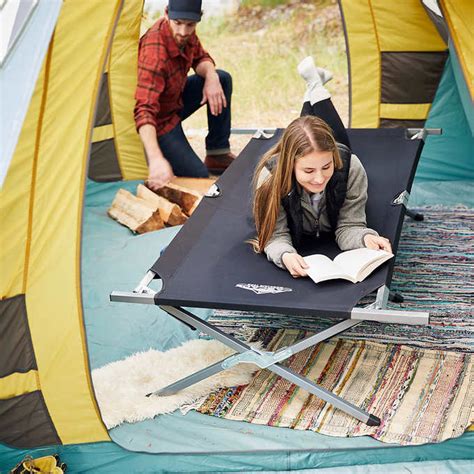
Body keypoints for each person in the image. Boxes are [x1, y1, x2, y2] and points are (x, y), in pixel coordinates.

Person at [250, 57, 392, 278]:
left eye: (326, 167)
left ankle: (314, 86)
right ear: (290, 165)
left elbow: (350, 226)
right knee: (308, 132)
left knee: (334, 139)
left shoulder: (348, 166)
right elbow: (274, 236)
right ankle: (315, 85)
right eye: (308, 171)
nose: (318, 179)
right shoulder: (270, 178)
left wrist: (365, 238)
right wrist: (285, 255)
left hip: (339, 153)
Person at [134, 0, 235, 191]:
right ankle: (159, 158)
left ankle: (217, 153)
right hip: (160, 122)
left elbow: (201, 58)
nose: (183, 32)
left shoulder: (186, 33)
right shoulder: (154, 53)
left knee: (222, 79)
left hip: (175, 99)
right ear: (166, 14)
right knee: (199, 178)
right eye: (178, 23)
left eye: (190, 25)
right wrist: (156, 159)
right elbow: (144, 111)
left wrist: (211, 77)